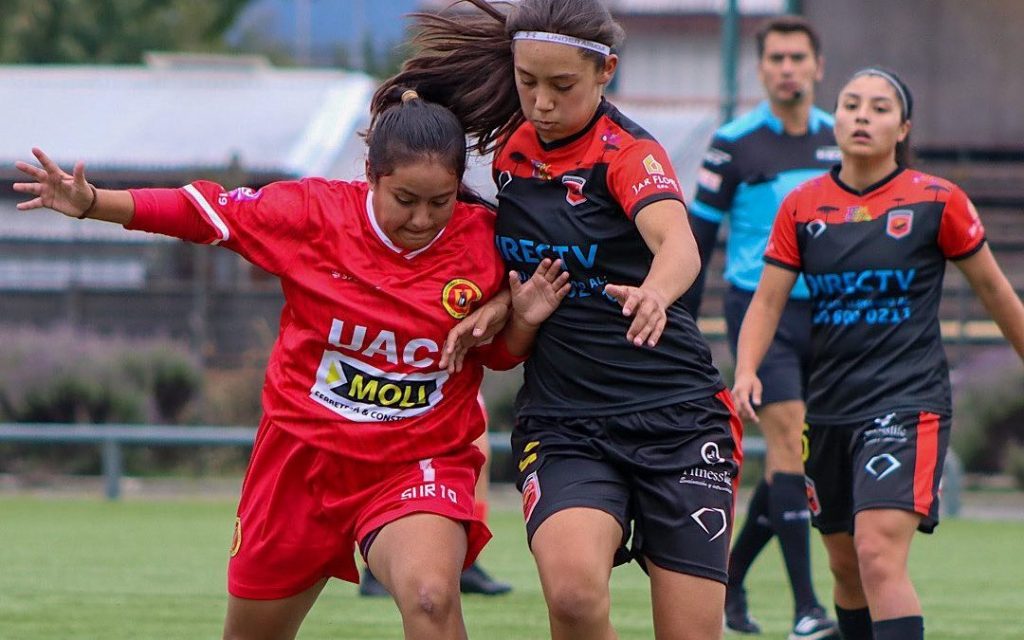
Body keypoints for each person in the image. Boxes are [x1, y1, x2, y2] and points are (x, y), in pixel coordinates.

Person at [13, 89, 571, 640]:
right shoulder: (310, 214)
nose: (424, 218)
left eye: (441, 201)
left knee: (430, 597)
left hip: (415, 460)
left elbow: (499, 356)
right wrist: (93, 204)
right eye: (405, 199)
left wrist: (516, 317)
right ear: (371, 175)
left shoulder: (485, 241)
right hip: (300, 462)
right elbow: (200, 212)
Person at [379, 1, 744, 638]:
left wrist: (657, 293)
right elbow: (522, 261)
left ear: (606, 72)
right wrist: (499, 306)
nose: (541, 102)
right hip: (567, 420)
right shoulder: (510, 155)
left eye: (562, 86)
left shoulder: (628, 154)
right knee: (573, 596)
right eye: (528, 82)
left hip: (677, 418)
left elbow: (678, 243)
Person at [731, 68, 1024, 640]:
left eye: (880, 107)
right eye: (851, 104)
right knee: (846, 569)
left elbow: (994, 291)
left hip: (907, 403)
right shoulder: (801, 207)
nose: (862, 115)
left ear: (903, 127)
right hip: (831, 408)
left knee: (877, 553)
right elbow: (766, 304)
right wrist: (745, 370)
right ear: (834, 118)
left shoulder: (938, 200)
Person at [681, 16, 839, 639]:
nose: (787, 68)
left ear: (818, 66)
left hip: (829, 318)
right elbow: (697, 239)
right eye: (775, 58)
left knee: (798, 464)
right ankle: (806, 608)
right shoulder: (733, 143)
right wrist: (680, 331)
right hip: (760, 316)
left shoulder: (841, 139)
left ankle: (732, 578)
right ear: (762, 68)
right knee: (789, 445)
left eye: (798, 57)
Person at [359, 394, 513, 597]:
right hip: (399, 371)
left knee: (479, 449)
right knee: (386, 445)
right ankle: (373, 569)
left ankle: (466, 562)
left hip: (455, 370)